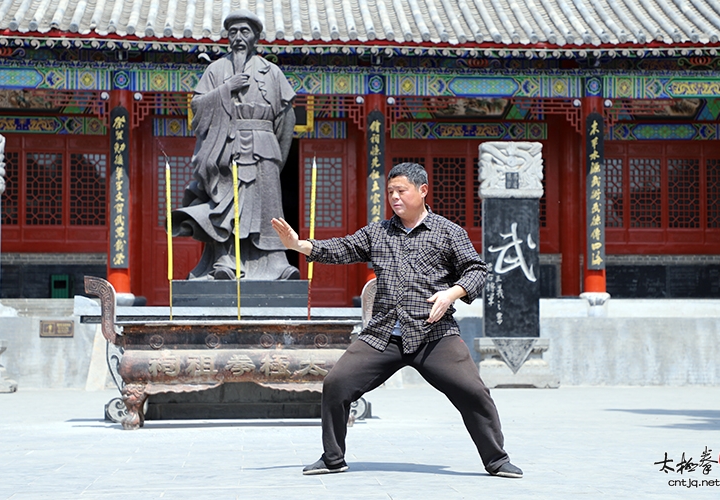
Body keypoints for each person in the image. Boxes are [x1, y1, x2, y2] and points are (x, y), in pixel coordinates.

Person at [271, 162, 523, 478]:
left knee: (474, 392)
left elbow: (477, 270)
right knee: (336, 383)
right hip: (384, 333)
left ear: (422, 191)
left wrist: (450, 294)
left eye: (401, 190)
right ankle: (333, 457)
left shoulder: (448, 232)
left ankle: (496, 460)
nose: (394, 197)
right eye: (390, 192)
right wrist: (299, 245)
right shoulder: (378, 232)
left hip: (434, 333)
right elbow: (342, 248)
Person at [172, 9, 299, 281]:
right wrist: (226, 88)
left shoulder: (272, 73)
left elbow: (285, 119)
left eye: (245, 32)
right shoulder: (215, 70)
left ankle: (275, 265)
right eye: (233, 32)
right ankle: (225, 262)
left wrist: (277, 156)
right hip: (226, 149)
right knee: (226, 205)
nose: (239, 38)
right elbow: (197, 107)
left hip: (263, 149)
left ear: (256, 37)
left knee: (267, 209)